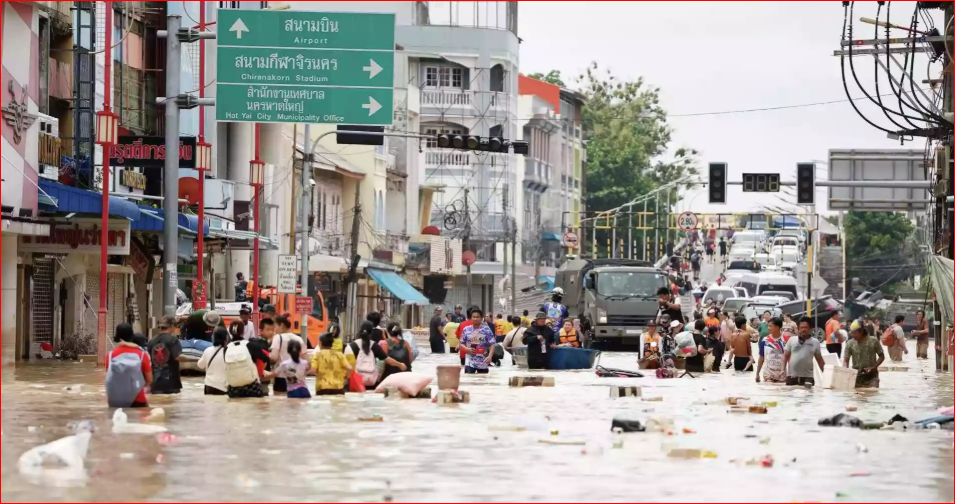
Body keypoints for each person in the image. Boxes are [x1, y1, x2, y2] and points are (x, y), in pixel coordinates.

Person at [105, 323, 153, 408]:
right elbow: (149, 380)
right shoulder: (142, 355)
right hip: (138, 399)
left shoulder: (110, 355)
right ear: (132, 336)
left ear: (118, 337)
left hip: (116, 400)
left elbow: (110, 377)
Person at [345, 321, 390, 387]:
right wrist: (399, 364)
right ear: (371, 332)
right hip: (371, 382)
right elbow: (386, 359)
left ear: (360, 331)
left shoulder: (351, 346)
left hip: (355, 383)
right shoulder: (374, 346)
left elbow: (347, 365)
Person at [783, 316, 825, 387]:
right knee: (790, 393)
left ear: (810, 328)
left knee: (808, 394)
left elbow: (820, 360)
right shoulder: (792, 340)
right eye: (801, 327)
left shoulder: (815, 342)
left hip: (808, 378)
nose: (803, 329)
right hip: (792, 377)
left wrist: (826, 374)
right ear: (798, 328)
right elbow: (785, 356)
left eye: (806, 327)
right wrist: (782, 369)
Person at [147, 316, 183, 395]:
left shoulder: (151, 341)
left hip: (155, 383)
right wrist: (194, 359)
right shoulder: (173, 339)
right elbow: (178, 357)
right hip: (171, 382)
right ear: (172, 325)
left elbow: (148, 359)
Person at [844, 320, 885, 388]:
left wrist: (874, 367)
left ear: (861, 331)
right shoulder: (850, 343)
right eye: (851, 333)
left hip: (872, 377)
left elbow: (882, 356)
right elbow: (846, 360)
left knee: (873, 392)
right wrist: (845, 371)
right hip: (856, 378)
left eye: (855, 333)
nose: (853, 335)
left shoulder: (873, 341)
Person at [269, 316, 303, 394]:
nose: (274, 330)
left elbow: (273, 358)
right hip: (297, 378)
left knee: (279, 400)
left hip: (281, 378)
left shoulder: (278, 337)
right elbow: (306, 361)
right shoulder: (299, 339)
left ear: (281, 325)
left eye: (274, 327)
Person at [460, 307, 497, 374]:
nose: (475, 319)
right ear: (471, 318)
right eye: (473, 317)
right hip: (470, 361)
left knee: (483, 379)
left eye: (477, 317)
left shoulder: (486, 330)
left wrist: (490, 356)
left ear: (481, 318)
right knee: (469, 378)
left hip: (483, 361)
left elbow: (492, 343)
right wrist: (467, 349)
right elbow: (461, 343)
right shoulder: (466, 329)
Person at [198, 328, 230, 396]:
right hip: (222, 387)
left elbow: (200, 365)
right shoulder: (228, 352)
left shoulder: (207, 350)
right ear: (226, 338)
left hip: (209, 386)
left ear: (213, 338)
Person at [756, 317, 790, 383]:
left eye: (770, 326)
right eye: (768, 326)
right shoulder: (765, 340)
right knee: (769, 388)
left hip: (781, 374)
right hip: (768, 374)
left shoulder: (786, 340)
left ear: (777, 327)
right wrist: (757, 373)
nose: (768, 328)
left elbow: (789, 358)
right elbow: (761, 357)